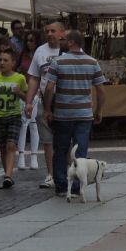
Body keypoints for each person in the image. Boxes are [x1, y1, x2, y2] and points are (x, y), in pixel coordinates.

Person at [44, 30, 106, 197]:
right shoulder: (92, 62)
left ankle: (62, 186)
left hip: (63, 114)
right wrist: (99, 110)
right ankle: (78, 187)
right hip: (85, 115)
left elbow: (49, 88)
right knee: (81, 151)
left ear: (71, 42)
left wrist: (47, 109)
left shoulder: (57, 62)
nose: (61, 41)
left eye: (64, 39)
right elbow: (101, 89)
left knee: (61, 149)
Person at [25, 21, 64, 189]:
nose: (49, 34)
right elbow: (34, 78)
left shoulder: (70, 49)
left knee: (65, 138)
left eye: (53, 31)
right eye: (47, 31)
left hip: (65, 99)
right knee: (47, 140)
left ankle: (69, 171)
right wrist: (29, 102)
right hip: (44, 100)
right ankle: (51, 174)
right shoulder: (40, 51)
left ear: (62, 33)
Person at [0, 49, 28, 189]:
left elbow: (27, 97)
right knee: (3, 148)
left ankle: (8, 176)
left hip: (14, 115)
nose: (2, 63)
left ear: (13, 63)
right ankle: (7, 175)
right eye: (0, 60)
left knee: (11, 145)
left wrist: (19, 92)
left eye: (5, 60)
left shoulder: (19, 78)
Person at [16, 31, 40, 170]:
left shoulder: (40, 54)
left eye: (32, 40)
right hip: (24, 91)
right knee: (25, 124)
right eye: (28, 40)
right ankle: (21, 157)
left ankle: (34, 156)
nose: (30, 43)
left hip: (37, 92)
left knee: (33, 123)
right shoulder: (23, 55)